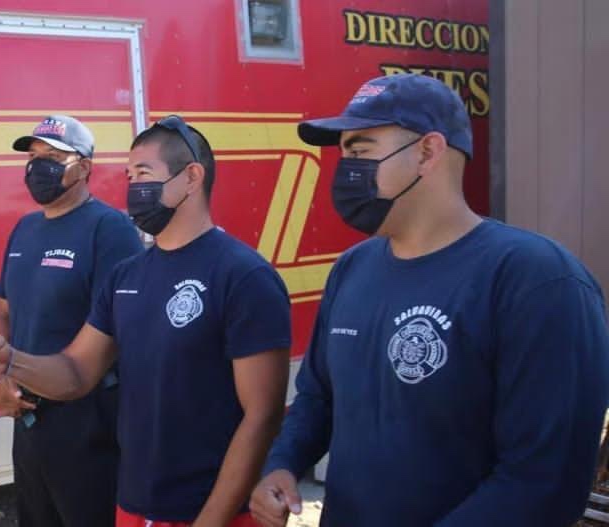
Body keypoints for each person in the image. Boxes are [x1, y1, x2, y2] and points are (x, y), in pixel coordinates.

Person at [249, 73, 609, 527]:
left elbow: (544, 481)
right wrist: (282, 462)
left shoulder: (537, 281)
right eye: (343, 154)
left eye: (360, 151)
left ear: (427, 152)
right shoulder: (352, 269)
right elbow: (318, 398)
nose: (344, 170)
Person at [0, 115, 292, 526]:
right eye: (128, 175)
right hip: (134, 505)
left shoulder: (243, 276)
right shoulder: (129, 276)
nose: (133, 187)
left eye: (144, 173)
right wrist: (9, 362)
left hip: (208, 509)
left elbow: (262, 416)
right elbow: (75, 371)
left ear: (192, 177)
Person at [0, 115, 143, 526]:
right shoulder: (24, 229)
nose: (38, 166)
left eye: (54, 157)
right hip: (28, 420)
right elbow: (4, 311)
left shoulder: (110, 231)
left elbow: (117, 331)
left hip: (87, 422)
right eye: (34, 156)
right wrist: (2, 378)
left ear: (85, 167)